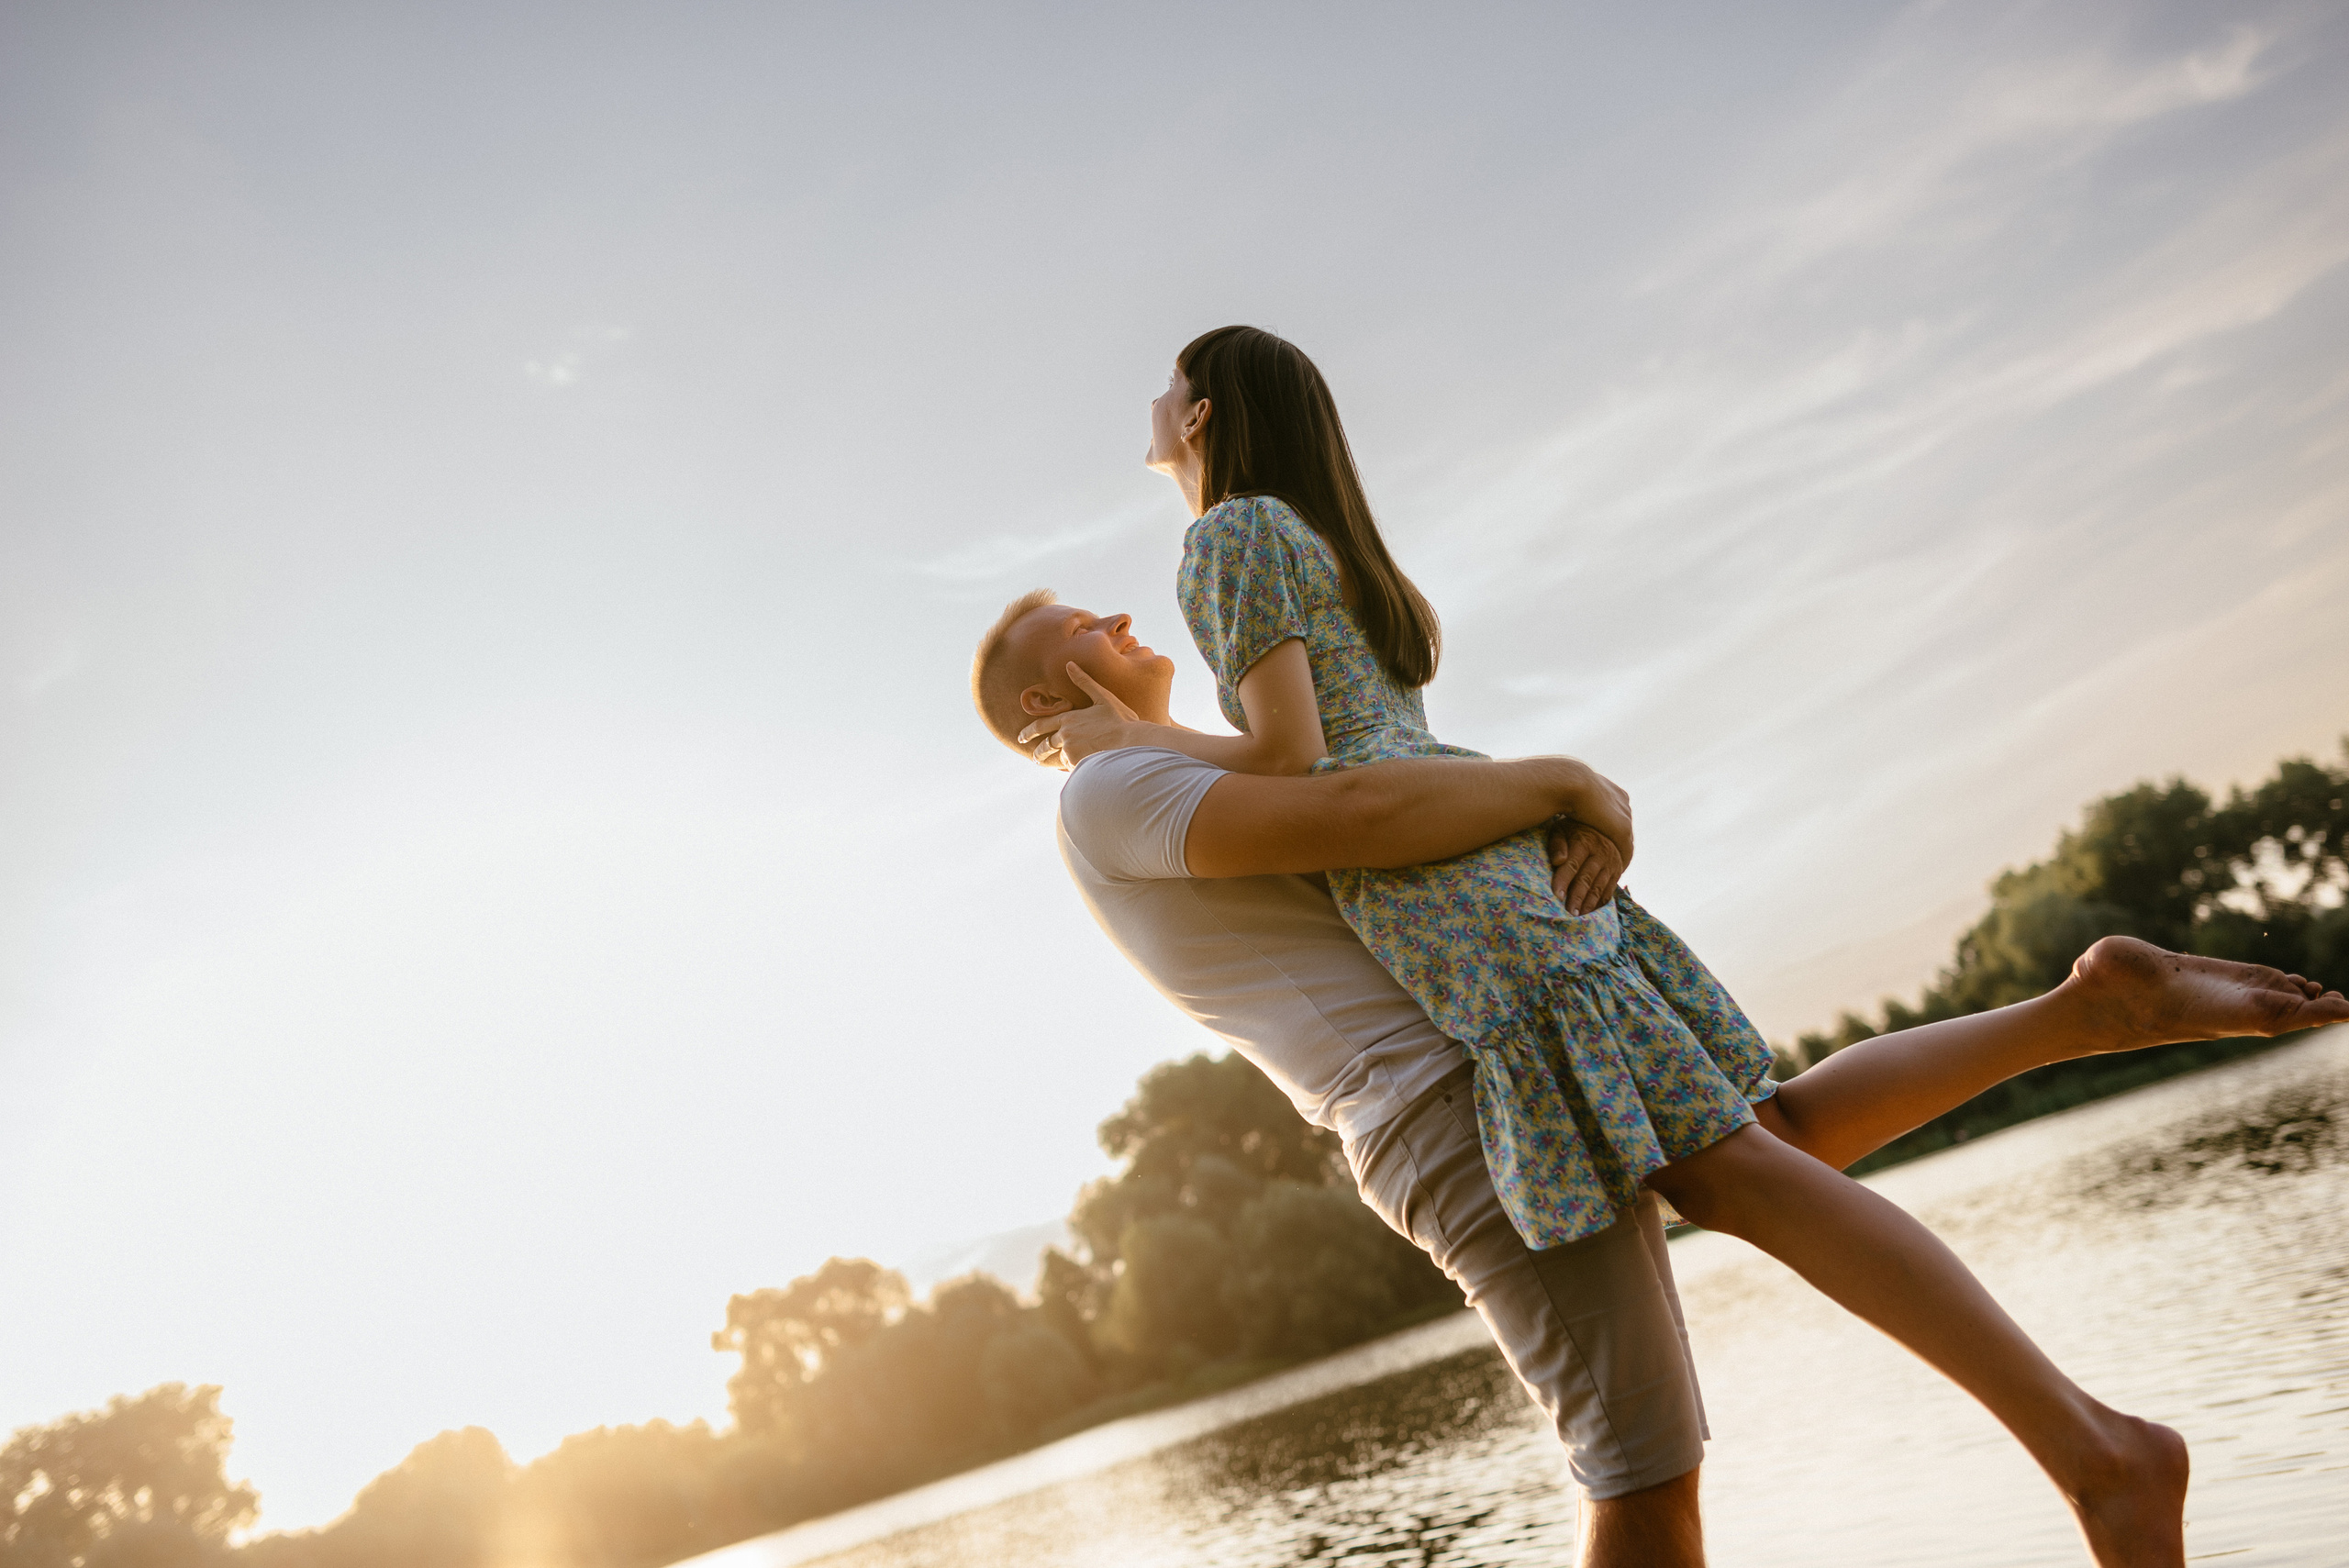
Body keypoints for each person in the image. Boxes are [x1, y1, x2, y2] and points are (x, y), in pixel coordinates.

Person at [972, 592, 2349, 1568]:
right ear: (1047, 700)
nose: (1124, 620)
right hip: (1451, 1110)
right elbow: (1355, 809)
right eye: (1085, 630)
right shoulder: (1105, 791)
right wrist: (1571, 781)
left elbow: (1351, 794)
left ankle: (2084, 1089)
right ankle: (2081, 1054)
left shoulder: (1160, 769)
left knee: (1726, 1248)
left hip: (1496, 1066)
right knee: (1680, 1371)